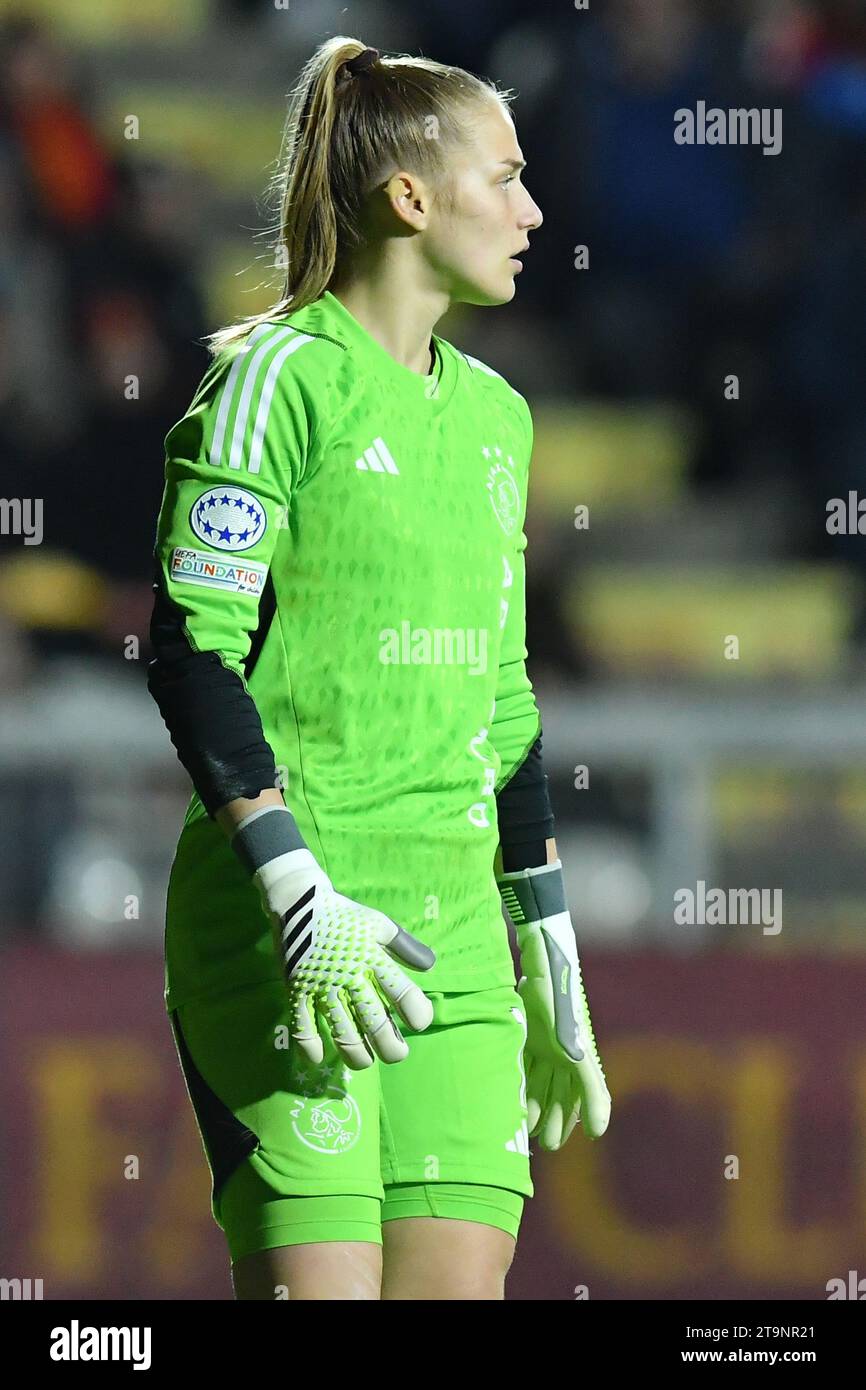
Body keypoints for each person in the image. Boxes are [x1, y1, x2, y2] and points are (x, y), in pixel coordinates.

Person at [147, 35, 610, 1302]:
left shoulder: (498, 418)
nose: (531, 211)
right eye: (504, 177)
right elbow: (190, 651)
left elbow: (501, 700)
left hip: (456, 945)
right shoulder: (274, 383)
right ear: (410, 199)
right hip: (290, 930)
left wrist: (548, 946)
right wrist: (299, 898)